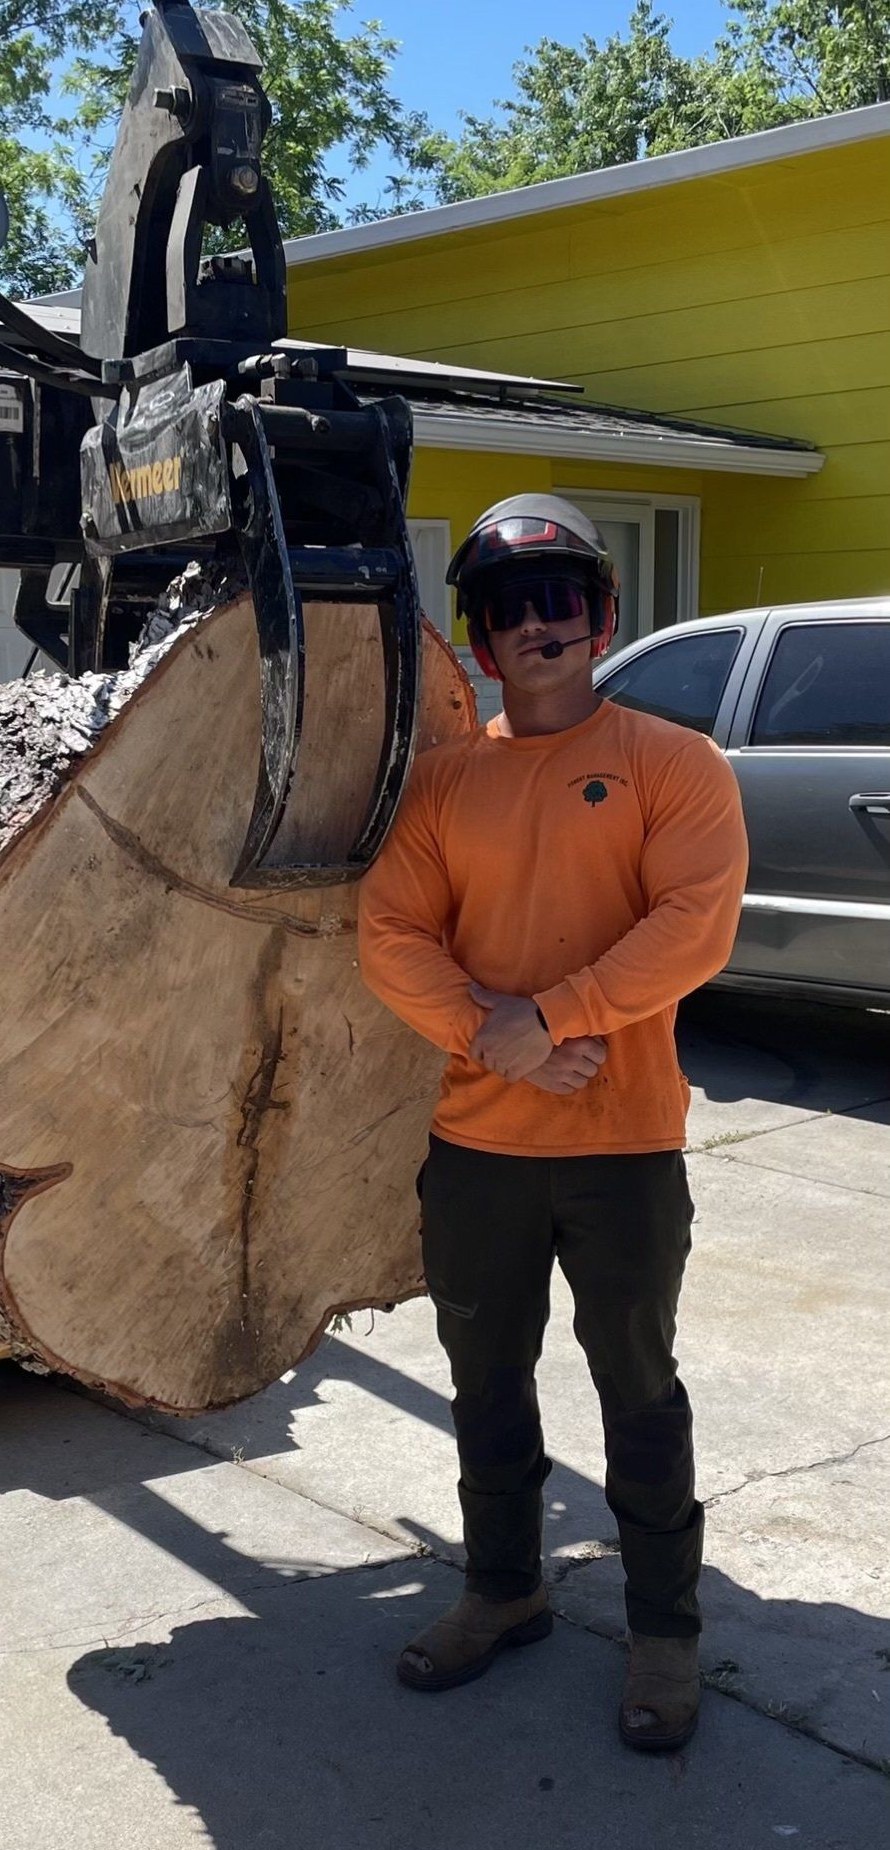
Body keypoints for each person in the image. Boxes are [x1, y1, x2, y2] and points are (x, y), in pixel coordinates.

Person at [357, 494, 749, 1752]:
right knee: (486, 1386)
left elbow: (694, 926)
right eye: (509, 608)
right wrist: (495, 1034)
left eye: (560, 600)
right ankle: (503, 1589)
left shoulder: (673, 764)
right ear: (478, 638)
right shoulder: (441, 786)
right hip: (478, 1152)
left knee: (638, 1388)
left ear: (603, 617)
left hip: (624, 1149)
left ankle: (665, 1632)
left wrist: (557, 1015)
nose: (539, 625)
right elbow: (390, 936)